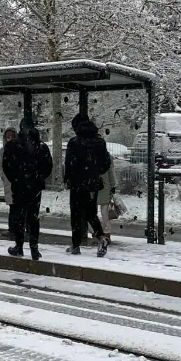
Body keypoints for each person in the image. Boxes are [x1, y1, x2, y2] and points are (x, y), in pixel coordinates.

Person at [63, 109, 112, 257]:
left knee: (76, 214)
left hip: (78, 183)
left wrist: (69, 178)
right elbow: (106, 163)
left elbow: (69, 164)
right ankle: (101, 237)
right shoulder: (100, 141)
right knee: (91, 214)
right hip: (93, 183)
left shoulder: (74, 142)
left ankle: (76, 245)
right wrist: (95, 172)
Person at [3, 120, 54, 261]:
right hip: (35, 188)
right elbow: (48, 166)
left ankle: (19, 246)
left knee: (19, 217)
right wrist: (38, 178)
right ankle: (34, 248)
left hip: (19, 187)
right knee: (33, 217)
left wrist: (16, 179)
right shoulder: (41, 146)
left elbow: (6, 166)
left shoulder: (13, 145)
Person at [0, 127, 17, 237]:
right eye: (7, 136)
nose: (9, 138)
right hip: (8, 182)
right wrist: (4, 177)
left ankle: (16, 228)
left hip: (17, 182)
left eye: (11, 136)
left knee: (16, 206)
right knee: (12, 206)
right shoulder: (3, 150)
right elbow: (0, 166)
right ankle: (12, 229)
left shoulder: (19, 148)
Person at [93, 160, 117, 244]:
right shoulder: (107, 156)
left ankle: (96, 234)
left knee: (92, 214)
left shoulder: (90, 153)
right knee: (105, 214)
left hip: (93, 186)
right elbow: (111, 172)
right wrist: (113, 185)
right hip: (105, 186)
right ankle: (106, 235)